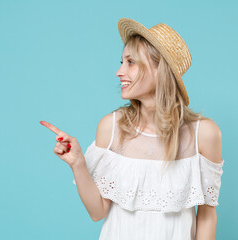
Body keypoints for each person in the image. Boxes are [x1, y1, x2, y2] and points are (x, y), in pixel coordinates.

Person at [40, 18, 224, 240]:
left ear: (160, 70)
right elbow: (98, 212)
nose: (119, 71)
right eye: (121, 61)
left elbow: (206, 215)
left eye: (131, 62)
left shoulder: (204, 134)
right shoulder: (111, 127)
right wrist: (78, 163)